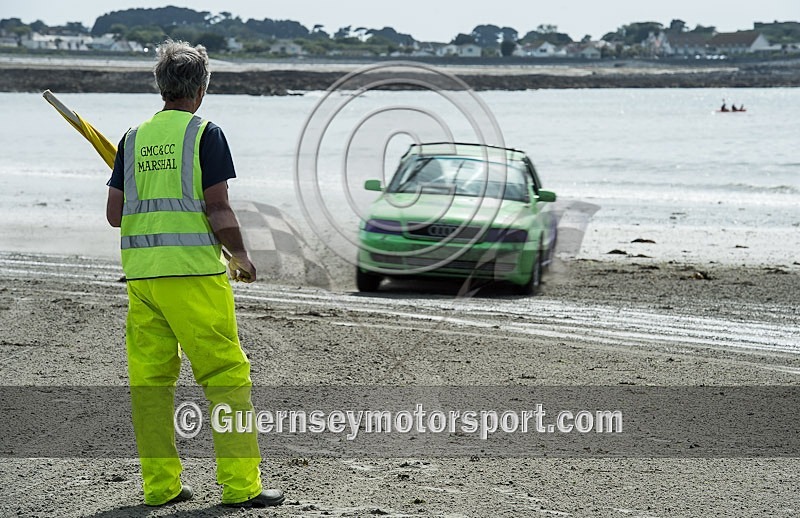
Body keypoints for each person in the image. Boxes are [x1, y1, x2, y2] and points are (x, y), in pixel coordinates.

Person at [105, 40, 284, 508]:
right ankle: (242, 487)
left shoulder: (132, 137)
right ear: (201, 87)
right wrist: (241, 255)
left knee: (151, 383)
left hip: (142, 279)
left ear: (160, 86)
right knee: (225, 375)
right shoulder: (205, 133)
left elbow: (114, 214)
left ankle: (161, 487)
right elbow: (218, 207)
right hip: (193, 276)